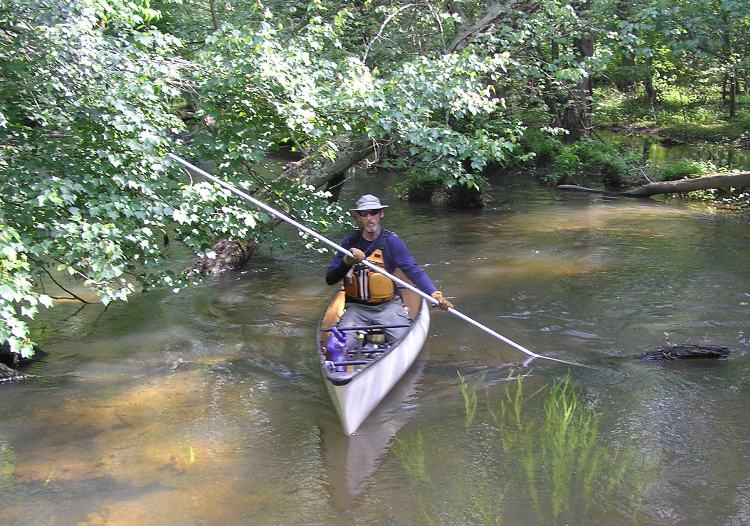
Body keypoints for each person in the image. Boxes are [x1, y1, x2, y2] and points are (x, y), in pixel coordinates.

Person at [325, 194, 453, 349]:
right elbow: (330, 279)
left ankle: (380, 344)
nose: (370, 218)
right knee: (336, 348)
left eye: (374, 212)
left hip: (388, 307)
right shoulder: (349, 242)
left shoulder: (391, 242)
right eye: (364, 213)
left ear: (381, 214)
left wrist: (433, 293)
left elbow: (412, 270)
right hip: (356, 309)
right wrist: (347, 262)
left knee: (405, 343)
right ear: (358, 217)